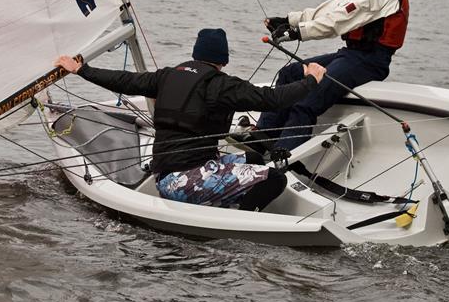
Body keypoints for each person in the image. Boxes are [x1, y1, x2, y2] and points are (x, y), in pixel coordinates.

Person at [54, 28, 326, 212]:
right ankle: (238, 221)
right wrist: (311, 80)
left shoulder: (167, 75)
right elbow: (273, 99)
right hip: (184, 183)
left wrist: (82, 69)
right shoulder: (222, 85)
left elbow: (124, 80)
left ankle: (226, 199)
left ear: (196, 54)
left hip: (166, 175)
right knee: (275, 178)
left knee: (255, 159)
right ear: (223, 60)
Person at [252, 0, 408, 159]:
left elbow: (336, 21)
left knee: (306, 101)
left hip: (369, 61)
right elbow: (329, 9)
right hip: (350, 54)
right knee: (289, 74)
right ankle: (263, 138)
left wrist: (297, 33)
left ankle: (283, 157)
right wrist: (288, 20)